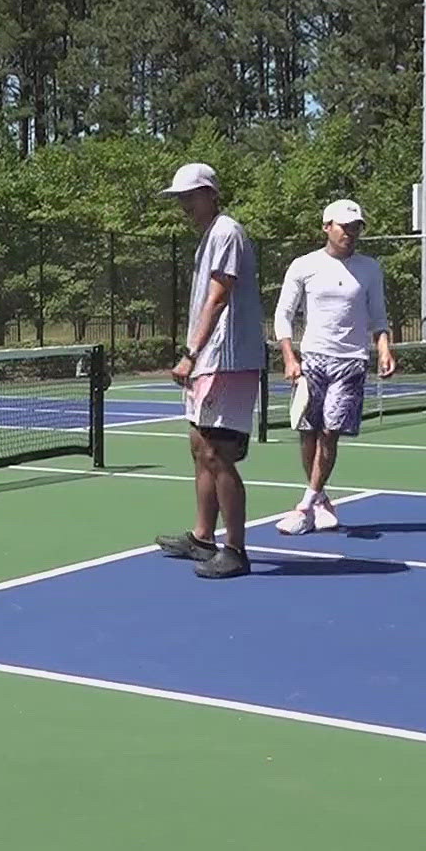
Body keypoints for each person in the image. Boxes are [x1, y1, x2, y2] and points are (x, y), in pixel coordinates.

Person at [154, 162, 267, 579]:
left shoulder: (226, 233)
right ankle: (204, 539)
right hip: (211, 362)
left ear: (211, 194)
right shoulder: (210, 237)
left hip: (228, 360)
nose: (183, 203)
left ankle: (235, 550)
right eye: (179, 197)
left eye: (190, 195)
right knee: (199, 447)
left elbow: (218, 298)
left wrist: (190, 352)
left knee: (218, 453)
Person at [270, 198, 396, 536]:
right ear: (327, 227)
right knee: (308, 433)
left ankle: (305, 505)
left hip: (351, 362)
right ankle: (322, 499)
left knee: (330, 431)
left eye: (356, 228)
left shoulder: (370, 268)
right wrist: (289, 356)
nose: (350, 234)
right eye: (344, 227)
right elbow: (283, 315)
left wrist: (384, 347)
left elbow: (378, 316)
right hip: (312, 360)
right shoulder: (303, 266)